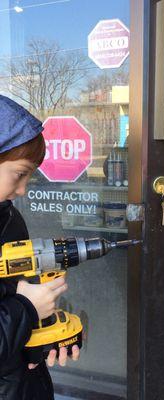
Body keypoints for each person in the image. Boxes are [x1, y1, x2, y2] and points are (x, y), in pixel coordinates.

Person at [0, 95, 80, 400]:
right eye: (20, 174)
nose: (22, 189)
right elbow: (21, 303)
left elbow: (20, 290)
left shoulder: (8, 217)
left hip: (24, 385)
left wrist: (48, 330)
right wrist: (27, 309)